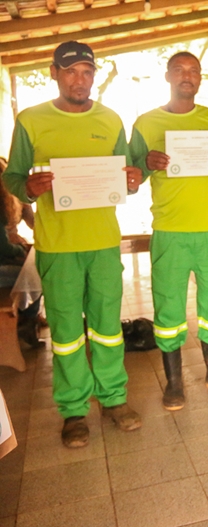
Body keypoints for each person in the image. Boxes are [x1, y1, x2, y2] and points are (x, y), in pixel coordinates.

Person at [2, 41, 143, 447]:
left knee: (107, 329)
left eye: (87, 71)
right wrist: (26, 187)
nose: (79, 80)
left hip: (102, 242)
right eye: (71, 71)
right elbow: (13, 177)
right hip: (57, 245)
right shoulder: (31, 120)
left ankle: (114, 399)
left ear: (94, 75)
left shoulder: (111, 119)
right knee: (65, 333)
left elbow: (125, 181)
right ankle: (74, 411)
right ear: (53, 73)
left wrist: (132, 181)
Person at [130, 51, 208, 410]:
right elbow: (129, 179)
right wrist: (145, 163)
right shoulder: (146, 123)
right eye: (179, 69)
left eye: (193, 70)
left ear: (200, 78)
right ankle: (174, 382)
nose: (187, 76)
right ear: (167, 76)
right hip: (170, 230)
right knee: (169, 307)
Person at [0, 176, 41, 347]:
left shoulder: (18, 200)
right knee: (34, 274)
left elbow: (33, 222)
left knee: (30, 269)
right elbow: (3, 247)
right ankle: (27, 321)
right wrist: (20, 249)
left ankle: (27, 318)